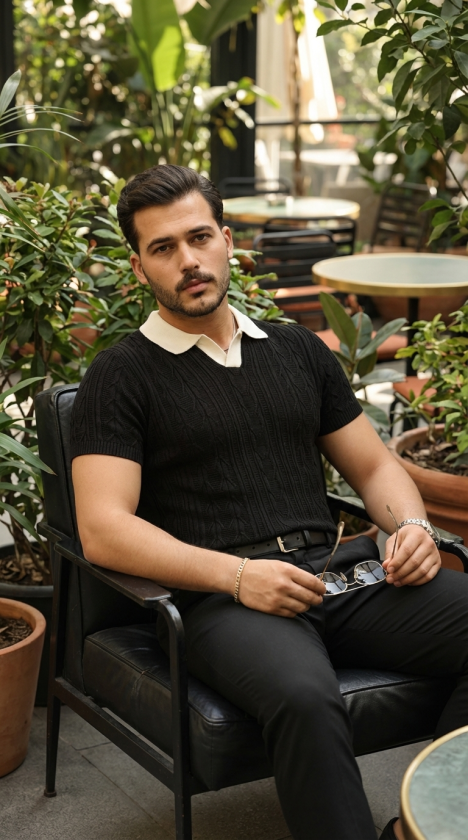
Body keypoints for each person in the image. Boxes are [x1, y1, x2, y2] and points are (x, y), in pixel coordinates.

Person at [70, 164, 468, 840]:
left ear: (227, 241)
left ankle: (422, 827)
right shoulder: (121, 375)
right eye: (163, 248)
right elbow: (103, 529)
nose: (188, 261)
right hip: (223, 601)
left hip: (340, 576)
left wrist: (412, 527)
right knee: (306, 697)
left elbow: (375, 465)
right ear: (139, 268)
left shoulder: (295, 349)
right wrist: (238, 576)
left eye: (199, 237)